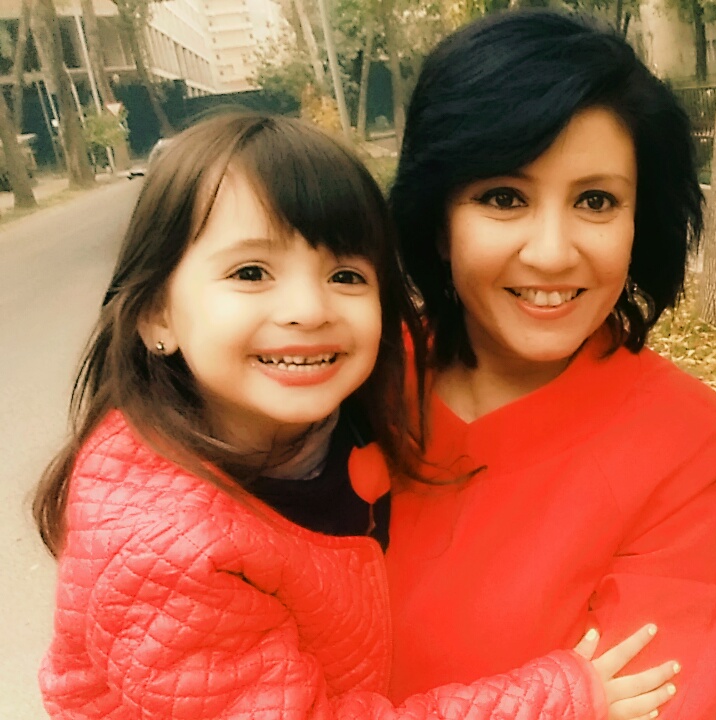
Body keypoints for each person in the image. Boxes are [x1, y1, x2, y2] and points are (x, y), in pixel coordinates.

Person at [34, 112, 680, 720]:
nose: (308, 310)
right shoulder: (171, 554)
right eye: (251, 272)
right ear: (156, 315)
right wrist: (556, 700)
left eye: (345, 275)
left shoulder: (332, 413)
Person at [373, 10, 716, 718]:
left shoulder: (690, 453)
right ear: (438, 220)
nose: (552, 252)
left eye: (595, 201)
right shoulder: (348, 383)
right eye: (504, 198)